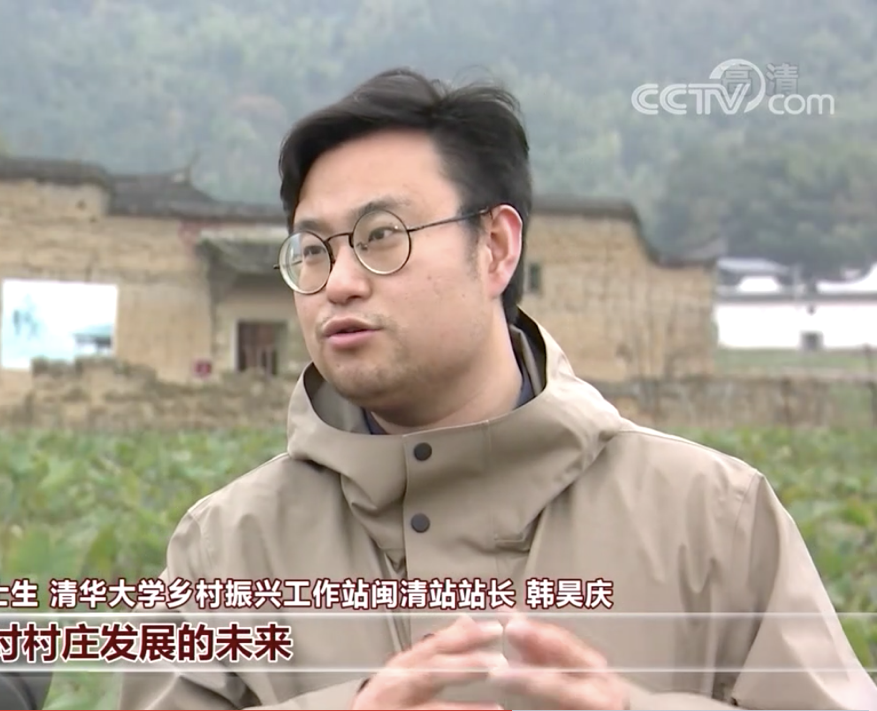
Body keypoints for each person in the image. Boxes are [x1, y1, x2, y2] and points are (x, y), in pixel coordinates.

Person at [118, 68, 876, 710]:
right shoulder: (227, 547)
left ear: (496, 247)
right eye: (313, 249)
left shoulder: (714, 518)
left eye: (381, 237)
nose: (339, 281)